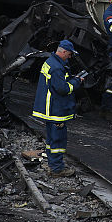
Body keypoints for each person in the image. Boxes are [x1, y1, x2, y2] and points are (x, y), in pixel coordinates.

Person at [31, 39, 84, 177]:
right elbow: (63, 89)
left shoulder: (51, 62)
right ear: (64, 52)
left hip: (50, 109)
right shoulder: (56, 67)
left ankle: (52, 164)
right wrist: (76, 81)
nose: (70, 57)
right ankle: (57, 169)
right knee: (58, 140)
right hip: (56, 110)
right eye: (69, 54)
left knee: (51, 139)